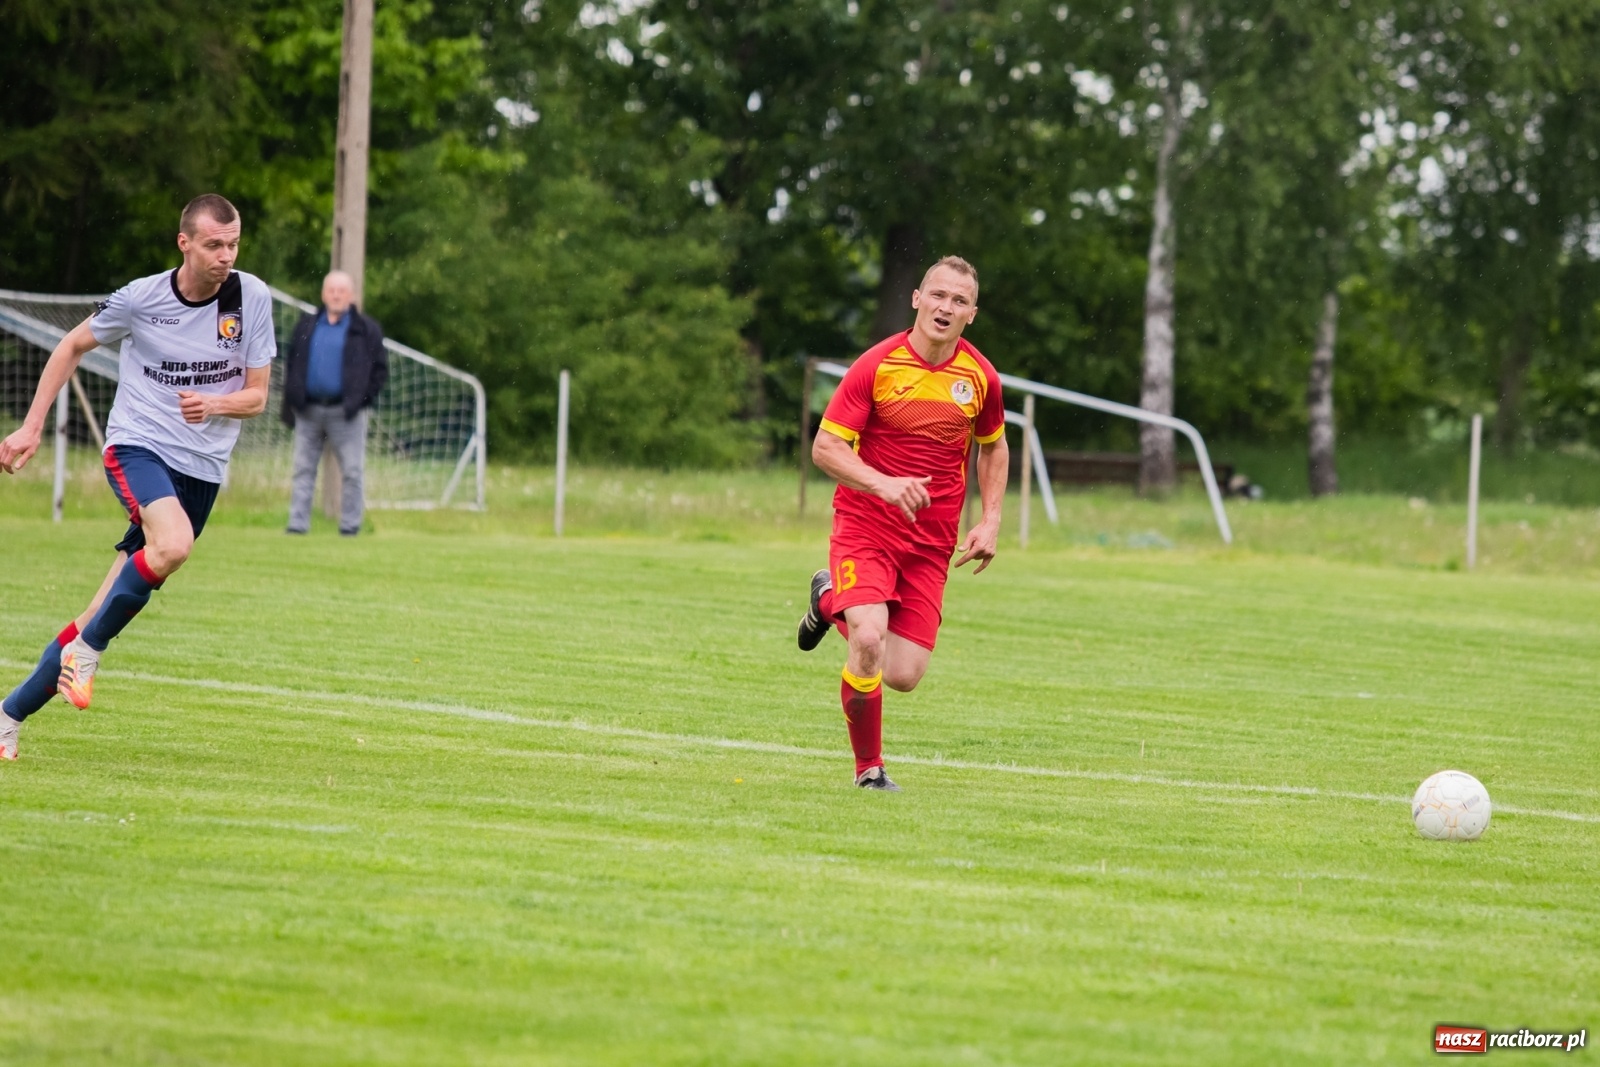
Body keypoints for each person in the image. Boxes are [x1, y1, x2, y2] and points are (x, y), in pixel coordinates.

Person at [0, 193, 276, 760]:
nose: (226, 255)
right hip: (138, 445)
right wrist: (31, 428)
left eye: (234, 244)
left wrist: (217, 406)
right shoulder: (141, 298)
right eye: (213, 245)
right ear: (185, 243)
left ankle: (7, 715)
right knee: (172, 545)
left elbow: (258, 396)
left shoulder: (251, 297)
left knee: (97, 609)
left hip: (202, 470)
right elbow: (71, 345)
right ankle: (90, 652)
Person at [796, 255, 1009, 791]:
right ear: (916, 298)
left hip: (931, 542)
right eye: (938, 295)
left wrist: (991, 520)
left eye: (959, 301)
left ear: (972, 314)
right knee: (868, 636)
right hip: (867, 525)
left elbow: (994, 446)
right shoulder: (876, 364)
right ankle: (869, 770)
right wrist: (883, 483)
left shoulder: (979, 377)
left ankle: (827, 600)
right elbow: (826, 447)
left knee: (903, 675)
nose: (946, 307)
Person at [281, 270, 387, 536]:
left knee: (352, 471)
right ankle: (297, 525)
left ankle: (350, 526)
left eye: (342, 291)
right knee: (303, 469)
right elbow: (292, 362)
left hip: (346, 413)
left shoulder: (365, 329)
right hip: (309, 409)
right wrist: (293, 400)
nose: (336, 295)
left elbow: (379, 370)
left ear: (351, 296)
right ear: (323, 294)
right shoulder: (307, 324)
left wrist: (360, 401)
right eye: (332, 290)